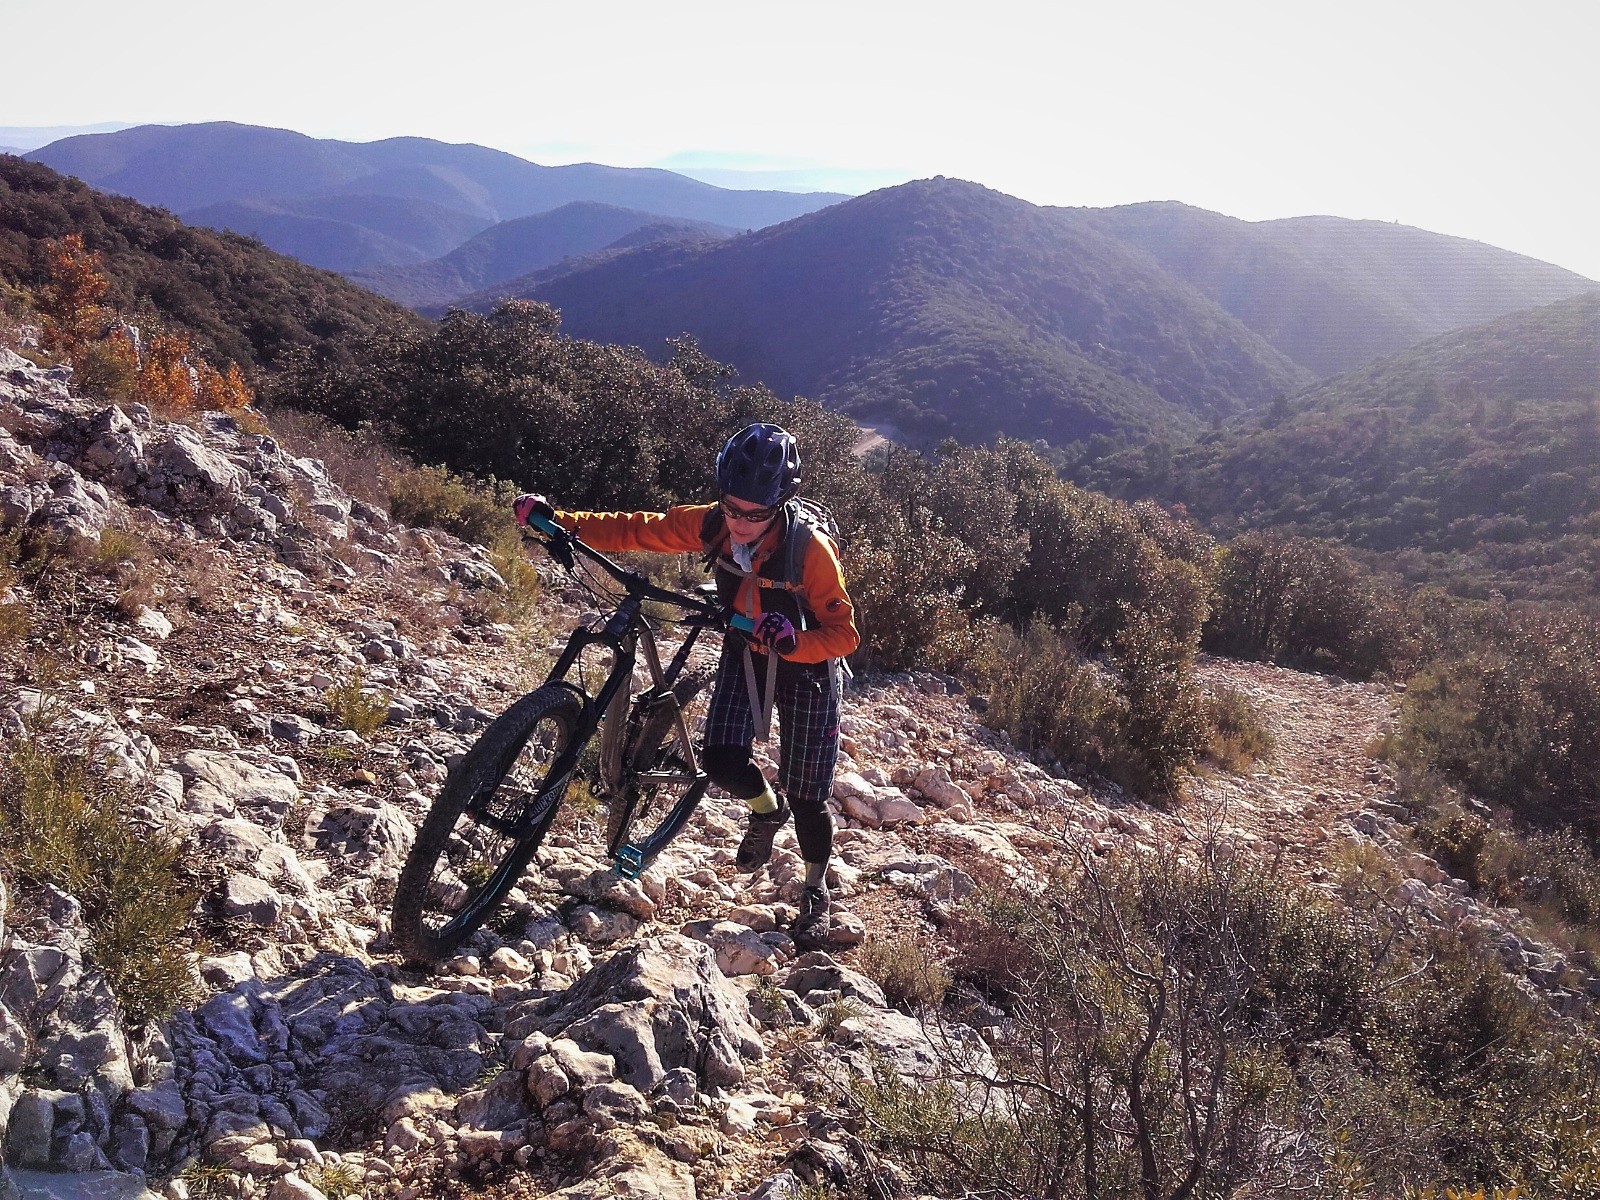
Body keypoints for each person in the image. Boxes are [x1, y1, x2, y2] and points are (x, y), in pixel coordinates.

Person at [512, 423, 859, 948]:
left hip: (806, 666)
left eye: (756, 514)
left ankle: (815, 889)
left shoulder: (809, 551)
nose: (740, 523)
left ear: (780, 505)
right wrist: (560, 521)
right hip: (746, 649)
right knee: (719, 760)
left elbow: (844, 633)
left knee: (808, 795)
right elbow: (637, 529)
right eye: (733, 507)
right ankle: (766, 810)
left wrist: (795, 641)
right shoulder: (712, 524)